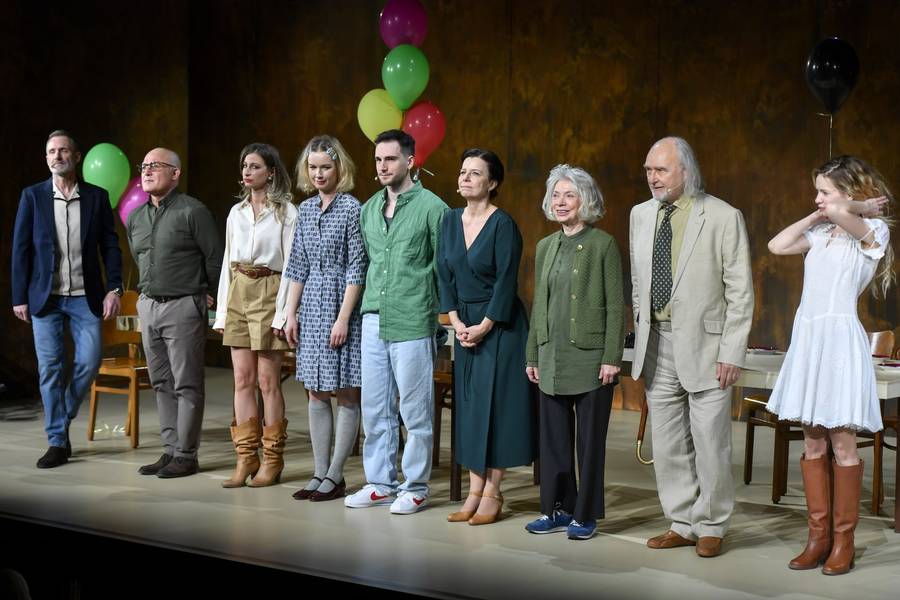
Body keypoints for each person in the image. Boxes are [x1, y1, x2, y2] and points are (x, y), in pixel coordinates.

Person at [766, 155, 893, 575]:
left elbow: (844, 213)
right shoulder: (821, 233)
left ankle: (844, 541)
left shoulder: (871, 231)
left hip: (839, 339)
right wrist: (817, 213)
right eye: (817, 190)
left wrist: (852, 208)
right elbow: (777, 245)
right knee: (813, 438)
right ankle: (817, 537)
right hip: (809, 339)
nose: (817, 198)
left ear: (848, 193)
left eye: (824, 191)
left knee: (842, 441)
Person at [629, 137, 753, 557]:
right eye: (648, 170)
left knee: (710, 441)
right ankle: (682, 521)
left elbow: (740, 290)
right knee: (667, 442)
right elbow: (638, 283)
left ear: (686, 170)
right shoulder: (640, 215)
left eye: (661, 170)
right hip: (656, 344)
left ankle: (713, 523)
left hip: (707, 347)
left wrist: (732, 351)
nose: (652, 177)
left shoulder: (722, 216)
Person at [343, 129, 449, 515]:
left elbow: (442, 267)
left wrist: (442, 317)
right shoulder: (369, 208)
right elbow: (366, 264)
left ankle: (416, 486)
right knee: (375, 407)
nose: (383, 166)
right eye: (377, 160)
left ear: (410, 161)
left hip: (413, 318)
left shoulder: (433, 208)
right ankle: (380, 483)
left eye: (390, 159)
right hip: (374, 317)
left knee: (415, 410)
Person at [523, 164, 624, 540]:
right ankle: (557, 509)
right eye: (556, 195)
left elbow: (616, 305)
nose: (561, 202)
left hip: (592, 357)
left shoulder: (603, 244)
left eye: (569, 195)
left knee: (589, 444)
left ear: (586, 200)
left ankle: (585, 514)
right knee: (554, 443)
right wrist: (533, 354)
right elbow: (539, 306)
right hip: (551, 357)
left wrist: (612, 355)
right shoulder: (546, 246)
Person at [11, 130, 123, 468]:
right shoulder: (32, 196)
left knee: (89, 363)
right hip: (45, 298)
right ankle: (57, 441)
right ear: (46, 158)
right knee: (50, 370)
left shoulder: (96, 197)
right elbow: (21, 250)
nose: (56, 156)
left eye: (63, 151)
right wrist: (19, 296)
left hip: (85, 297)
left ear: (76, 157)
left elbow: (110, 246)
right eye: (51, 151)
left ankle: (61, 415)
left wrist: (114, 288)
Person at [437, 148, 534, 526]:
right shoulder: (449, 220)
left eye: (475, 173)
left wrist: (485, 325)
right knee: (473, 407)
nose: (465, 178)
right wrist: (456, 321)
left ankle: (493, 490)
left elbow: (507, 282)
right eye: (463, 171)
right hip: (464, 325)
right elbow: (443, 273)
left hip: (500, 325)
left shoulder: (503, 224)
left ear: (492, 183)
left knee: (497, 408)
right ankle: (473, 490)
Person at [125, 147, 223, 478]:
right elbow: (139, 259)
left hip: (183, 305)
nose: (147, 170)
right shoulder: (136, 218)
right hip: (149, 305)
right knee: (160, 382)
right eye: (144, 165)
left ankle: (186, 453)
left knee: (187, 383)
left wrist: (209, 293)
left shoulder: (193, 212)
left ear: (175, 174)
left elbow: (214, 257)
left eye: (156, 165)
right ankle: (169, 450)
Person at [283, 135, 366, 502]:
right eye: (313, 167)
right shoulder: (304, 210)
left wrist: (344, 317)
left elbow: (357, 267)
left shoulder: (352, 208)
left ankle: (336, 474)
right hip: (312, 304)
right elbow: (297, 264)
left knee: (346, 392)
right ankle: (319, 472)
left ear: (339, 169)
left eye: (325, 167)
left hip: (339, 304)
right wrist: (290, 312)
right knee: (316, 391)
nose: (319, 173)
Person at [213, 143, 297, 488]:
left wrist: (284, 312)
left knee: (267, 381)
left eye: (255, 166)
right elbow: (227, 261)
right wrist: (221, 311)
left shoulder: (286, 213)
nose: (247, 172)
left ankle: (272, 459)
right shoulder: (237, 212)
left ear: (271, 172)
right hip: (239, 289)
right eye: (244, 166)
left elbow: (293, 265)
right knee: (241, 380)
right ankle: (246, 457)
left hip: (269, 288)